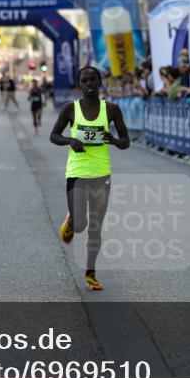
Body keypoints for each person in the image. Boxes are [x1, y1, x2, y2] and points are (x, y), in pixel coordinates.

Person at [50, 66, 130, 291]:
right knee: (81, 225)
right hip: (76, 173)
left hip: (101, 173)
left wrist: (113, 140)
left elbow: (126, 142)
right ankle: (72, 221)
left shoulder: (112, 110)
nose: (89, 84)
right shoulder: (70, 109)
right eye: (84, 81)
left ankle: (91, 273)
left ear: (99, 82)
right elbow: (53, 135)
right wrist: (70, 141)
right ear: (79, 84)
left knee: (95, 227)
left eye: (93, 80)